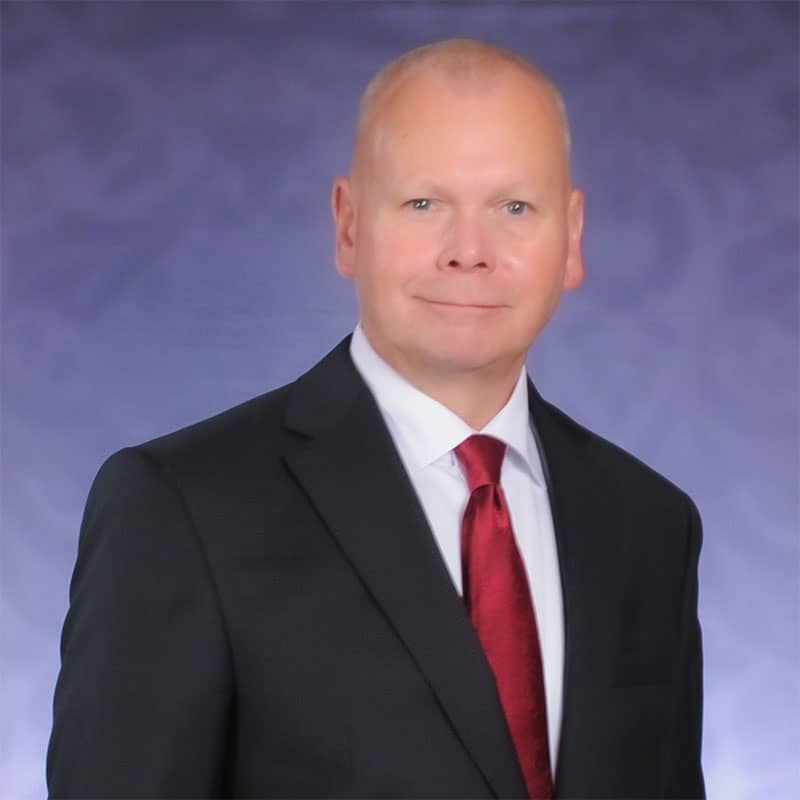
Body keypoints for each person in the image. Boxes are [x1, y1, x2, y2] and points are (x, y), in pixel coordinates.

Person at [47, 38, 705, 799]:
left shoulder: (651, 525)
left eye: (514, 207)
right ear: (350, 226)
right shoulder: (179, 507)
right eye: (424, 204)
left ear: (572, 237)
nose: (469, 251)